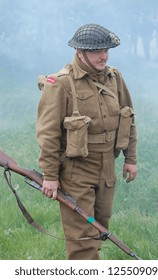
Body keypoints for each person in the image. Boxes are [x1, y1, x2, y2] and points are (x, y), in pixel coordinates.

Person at [36, 23, 137, 260]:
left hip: (107, 168)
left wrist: (130, 159)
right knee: (82, 240)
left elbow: (129, 117)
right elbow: (48, 133)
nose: (104, 56)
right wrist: (50, 175)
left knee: (99, 229)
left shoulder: (114, 77)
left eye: (106, 50)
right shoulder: (60, 83)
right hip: (76, 171)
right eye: (97, 51)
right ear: (80, 52)